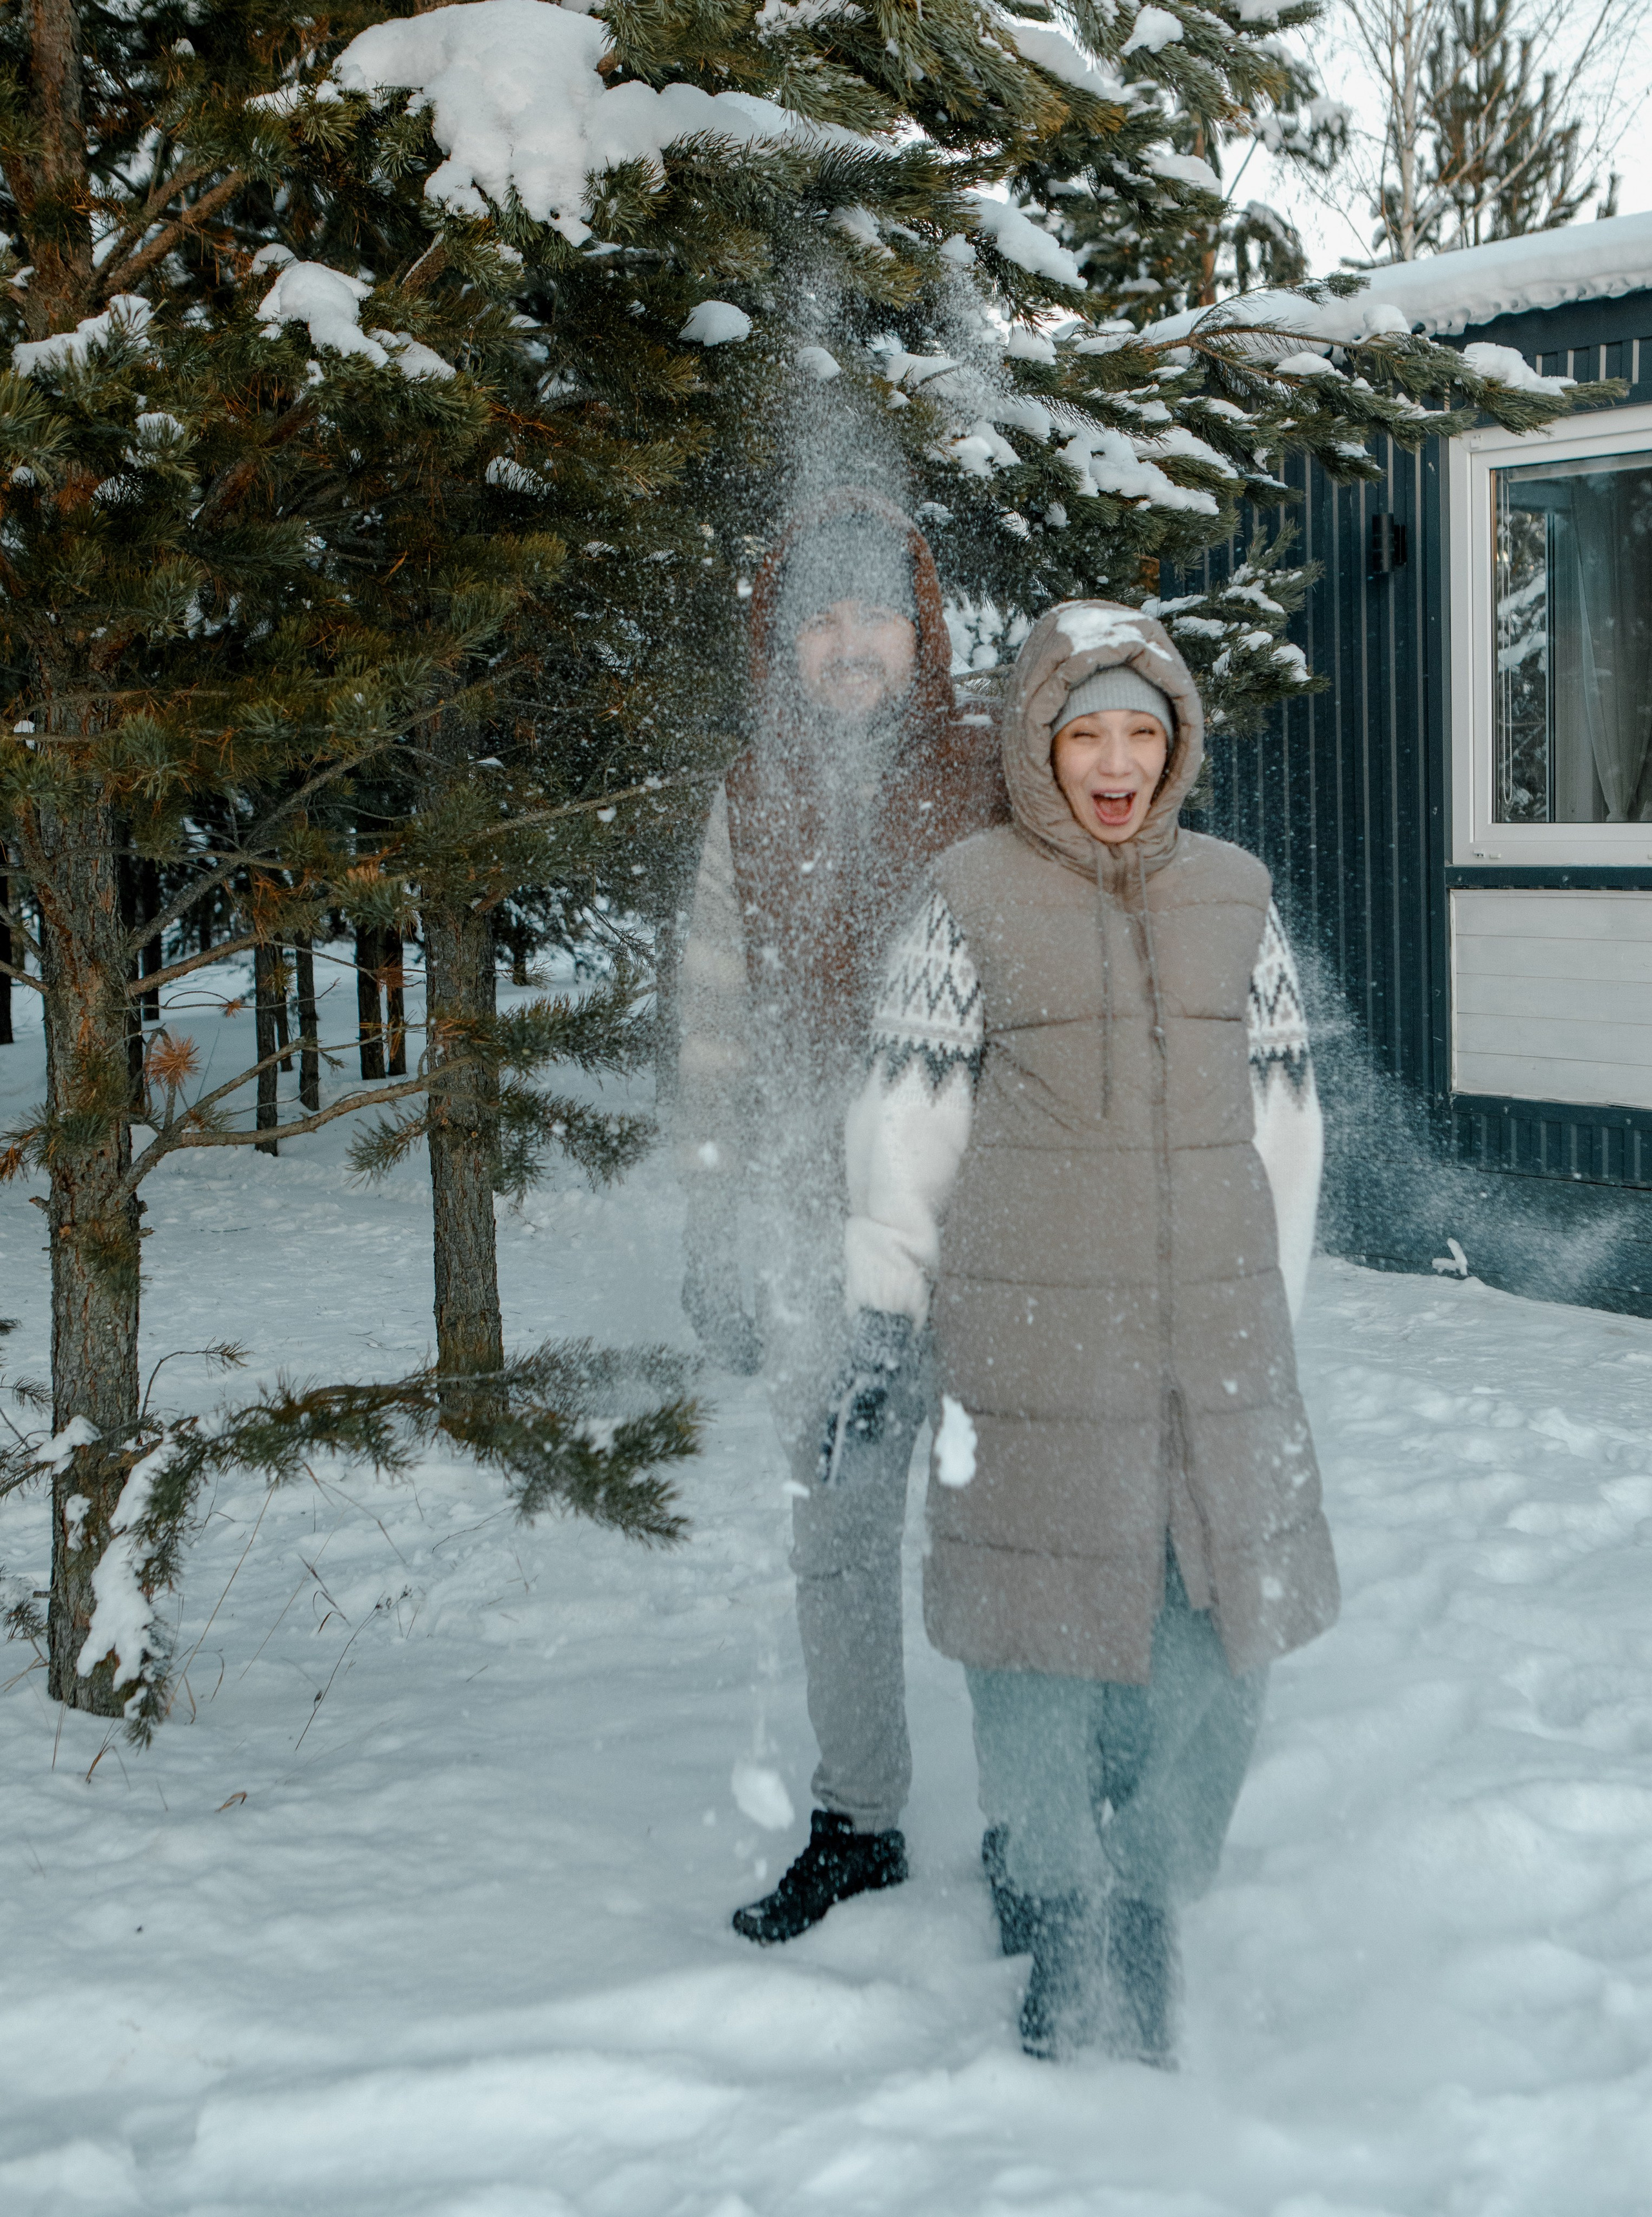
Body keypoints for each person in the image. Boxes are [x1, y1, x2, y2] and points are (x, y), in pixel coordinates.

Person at [825, 600, 1339, 2062]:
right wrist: (882, 1316)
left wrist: (1268, 1327)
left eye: (1139, 729)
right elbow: (904, 1121)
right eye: (1083, 731)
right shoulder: (967, 891)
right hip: (1030, 1347)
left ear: (1175, 743)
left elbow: (1284, 1127)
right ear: (1036, 745)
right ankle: (1052, 1913)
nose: (1113, 760)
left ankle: (1148, 1896)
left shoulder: (1234, 892)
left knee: (1210, 1648)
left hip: (1209, 1345)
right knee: (1036, 1647)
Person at [672, 487, 1006, 1944]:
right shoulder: (749, 795)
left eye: (874, 610)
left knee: (1008, 1540)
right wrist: (714, 1225)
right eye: (819, 615)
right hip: (820, 1239)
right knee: (839, 1535)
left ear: (919, 624)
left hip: (989, 1233)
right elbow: (711, 1034)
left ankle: (1033, 1823)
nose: (849, 640)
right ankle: (857, 1818)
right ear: (779, 636)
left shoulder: (994, 774)